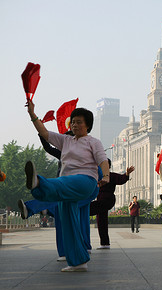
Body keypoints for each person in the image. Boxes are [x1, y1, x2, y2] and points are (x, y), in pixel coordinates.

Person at [25, 99, 109, 272]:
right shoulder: (66, 141)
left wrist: (106, 175)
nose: (75, 125)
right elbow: (45, 133)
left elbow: (102, 160)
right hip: (65, 186)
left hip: (84, 182)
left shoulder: (93, 142)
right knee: (68, 223)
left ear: (88, 125)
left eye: (79, 122)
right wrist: (32, 114)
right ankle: (78, 262)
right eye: (73, 122)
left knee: (54, 185)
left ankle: (39, 182)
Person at [91, 159, 134, 248]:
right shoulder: (96, 176)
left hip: (108, 200)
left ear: (109, 167)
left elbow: (121, 179)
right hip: (100, 201)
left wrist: (126, 174)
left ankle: (78, 211)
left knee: (86, 209)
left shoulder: (111, 175)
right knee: (101, 221)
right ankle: (105, 243)